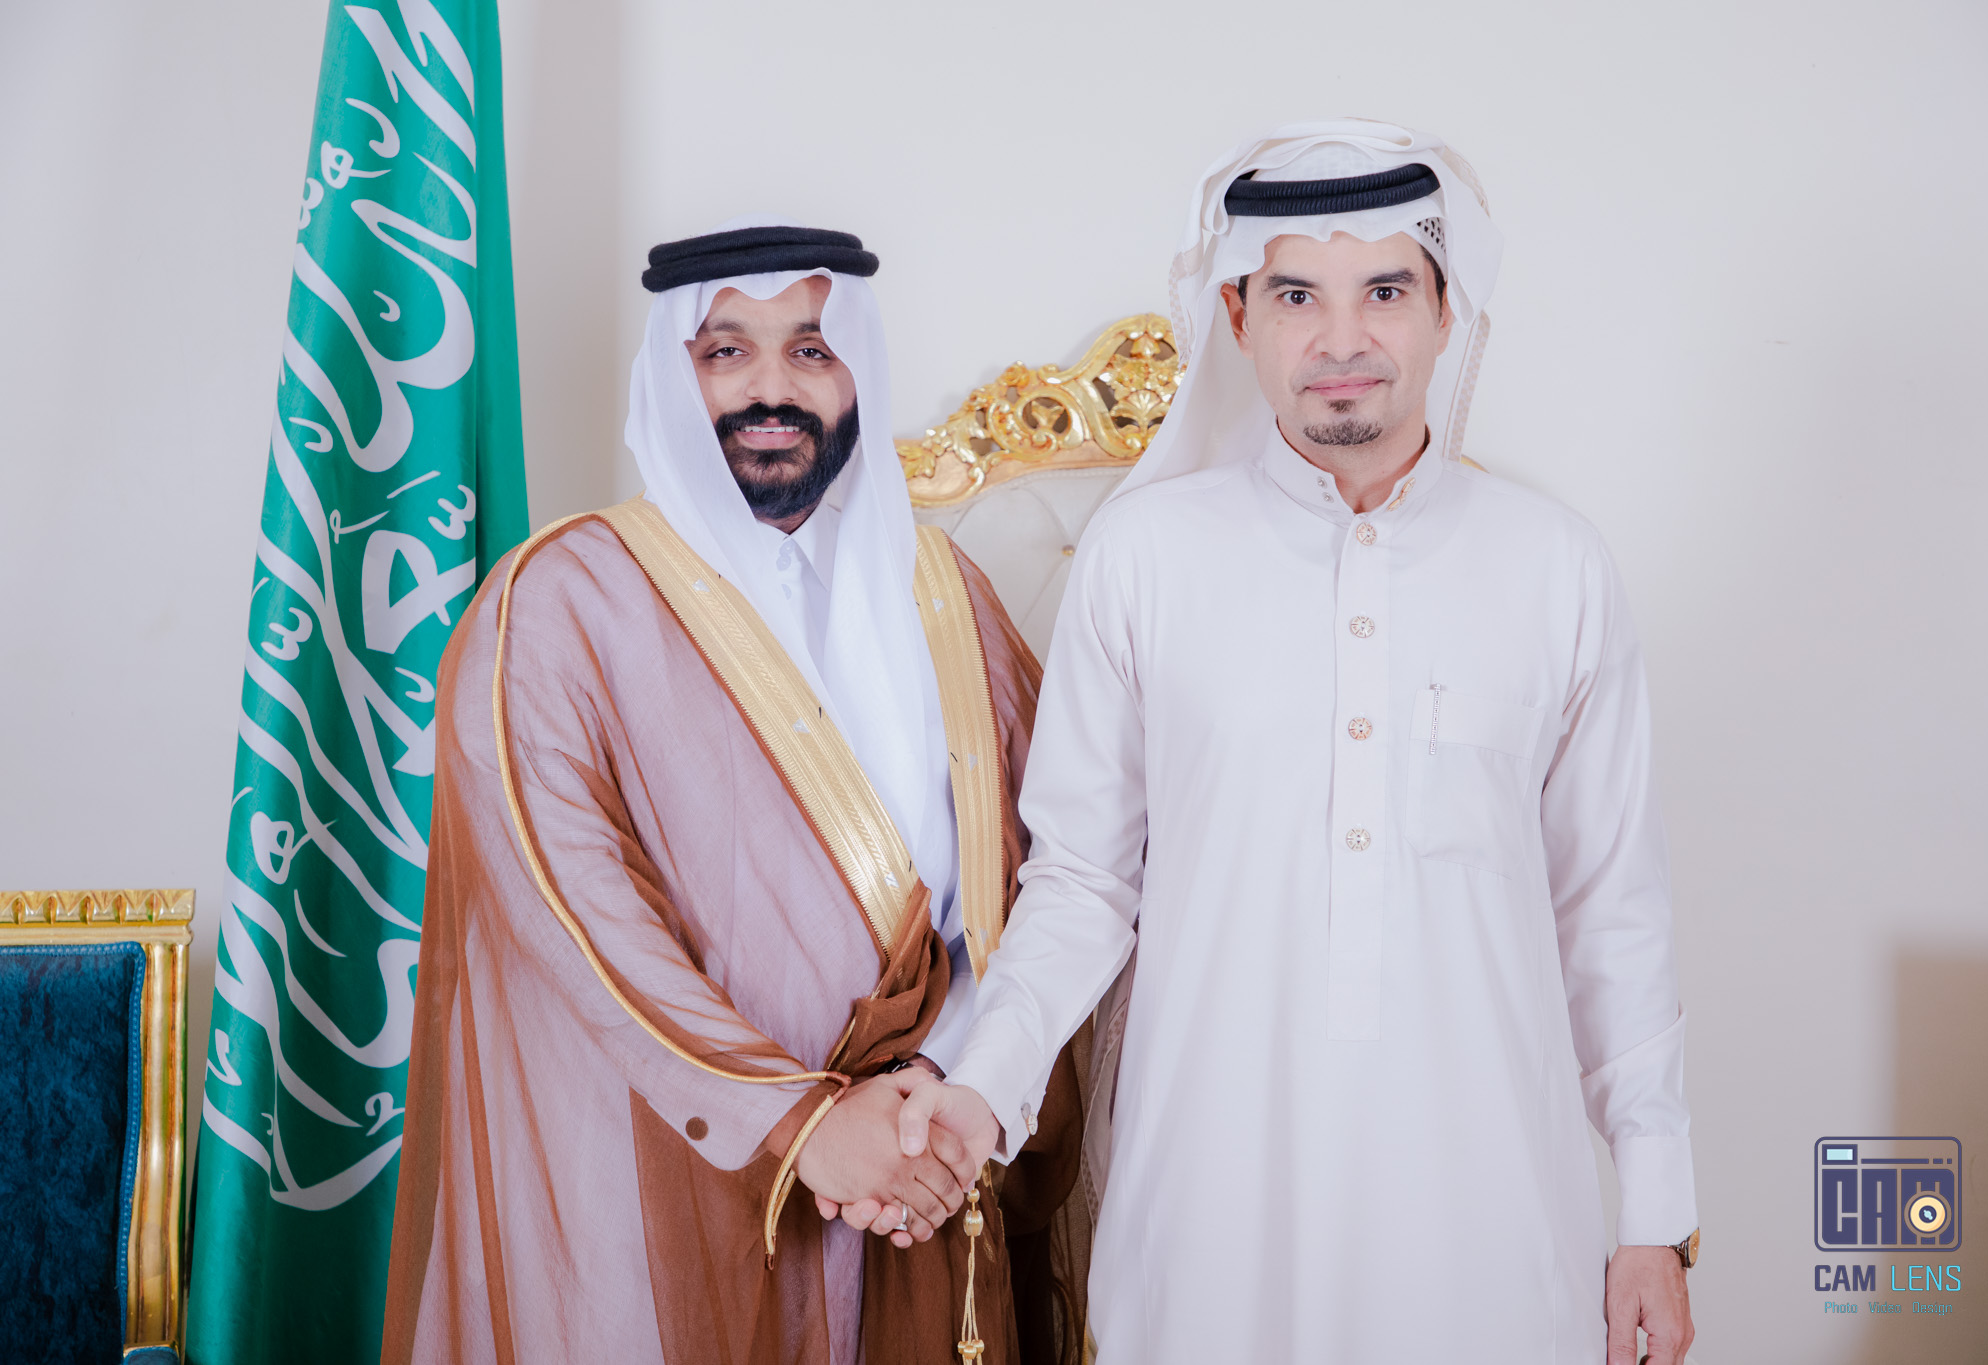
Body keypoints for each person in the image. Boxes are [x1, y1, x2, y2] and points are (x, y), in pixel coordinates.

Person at [900, 121, 1700, 1362]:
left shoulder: (1554, 569)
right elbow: (1082, 884)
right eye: (1294, 296)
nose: (1339, 341)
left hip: (1489, 1211)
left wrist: (1652, 1215)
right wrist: (977, 1092)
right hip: (1213, 1204)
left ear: (1444, 309)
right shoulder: (1145, 560)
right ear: (1236, 315)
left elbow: (1608, 910)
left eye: (1383, 290)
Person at [381, 221, 1083, 1365]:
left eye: (809, 349)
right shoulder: (556, 603)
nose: (770, 390)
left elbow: (1041, 876)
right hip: (655, 1174)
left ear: (855, 370)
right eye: (725, 352)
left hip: (918, 1164)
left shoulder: (945, 594)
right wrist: (799, 1124)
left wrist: (935, 1091)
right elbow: (575, 921)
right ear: (673, 373)